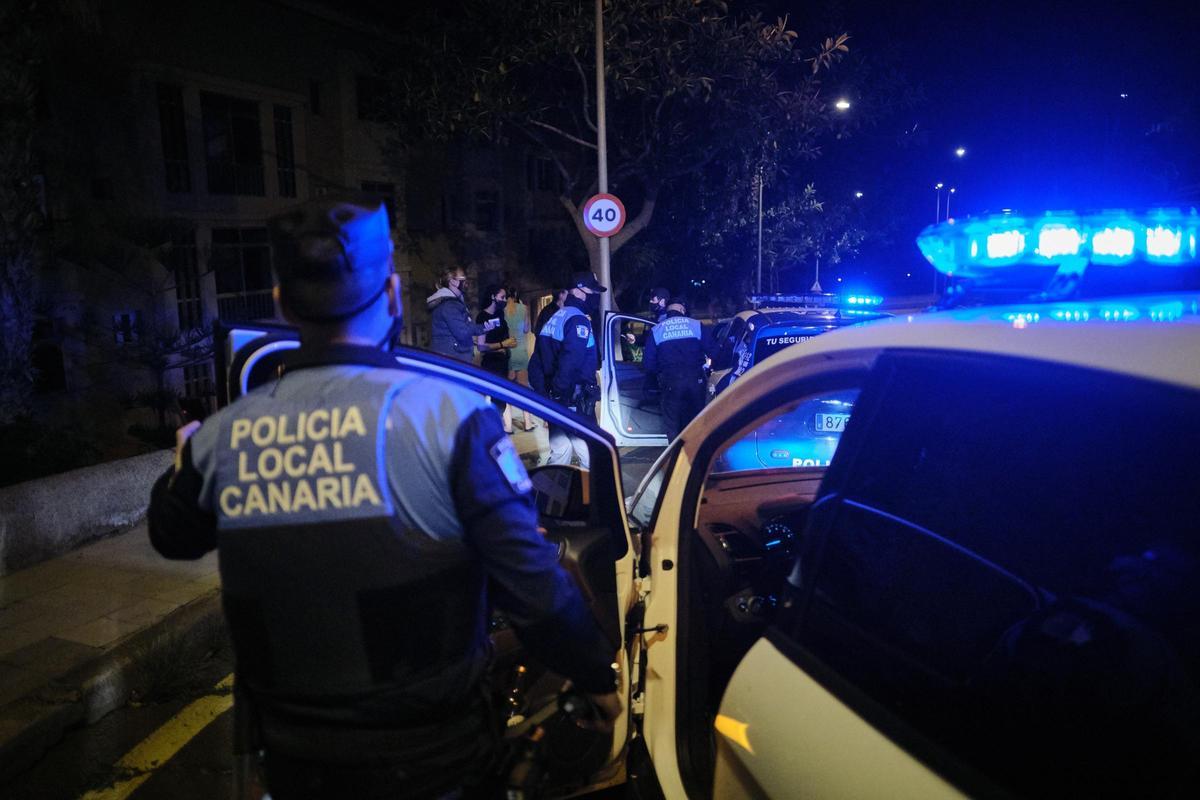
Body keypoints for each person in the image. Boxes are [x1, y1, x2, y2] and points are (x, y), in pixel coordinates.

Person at [146, 197, 621, 799]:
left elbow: (172, 532)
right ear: (393, 297)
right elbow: (531, 583)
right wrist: (594, 674)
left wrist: (185, 458)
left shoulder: (224, 437)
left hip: (294, 764)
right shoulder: (450, 420)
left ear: (283, 305)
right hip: (437, 763)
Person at [529, 272, 606, 467]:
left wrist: (545, 393)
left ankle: (555, 492)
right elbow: (570, 361)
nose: (595, 296)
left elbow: (536, 361)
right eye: (592, 291)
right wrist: (560, 392)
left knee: (561, 448)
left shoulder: (556, 316)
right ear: (579, 292)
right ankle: (593, 494)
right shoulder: (578, 320)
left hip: (555, 396)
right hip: (573, 398)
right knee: (590, 451)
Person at [643, 297, 709, 440]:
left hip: (671, 382)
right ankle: (697, 456)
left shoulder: (657, 329)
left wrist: (658, 377)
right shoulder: (696, 325)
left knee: (672, 423)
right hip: (695, 380)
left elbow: (648, 363)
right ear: (682, 309)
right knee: (696, 421)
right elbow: (714, 351)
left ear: (668, 310)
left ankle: (676, 457)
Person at [427, 266, 498, 361]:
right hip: (453, 358)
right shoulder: (450, 305)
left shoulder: (452, 302)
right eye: (463, 277)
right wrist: (483, 327)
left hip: (452, 356)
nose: (466, 281)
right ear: (452, 281)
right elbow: (463, 332)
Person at [475, 284, 516, 423]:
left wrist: (508, 346)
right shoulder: (482, 317)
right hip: (491, 363)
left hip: (503, 362)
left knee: (502, 400)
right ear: (493, 296)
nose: (504, 300)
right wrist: (502, 345)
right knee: (496, 400)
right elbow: (481, 346)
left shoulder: (500, 314)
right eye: (502, 297)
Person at [504, 288, 536, 432]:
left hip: (508, 352)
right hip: (521, 352)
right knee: (524, 390)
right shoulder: (524, 308)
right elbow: (526, 329)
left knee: (506, 390)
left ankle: (509, 426)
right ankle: (528, 423)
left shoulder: (503, 310)